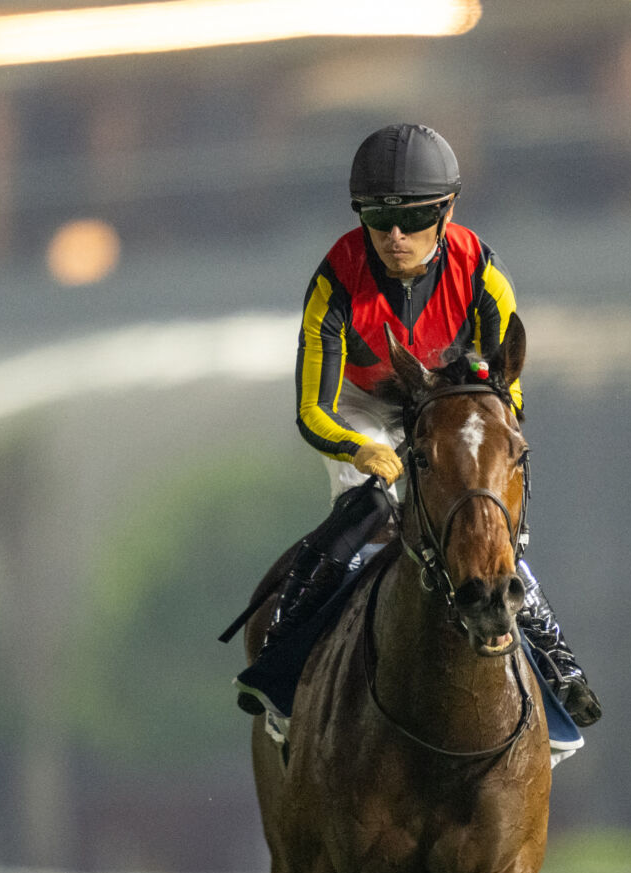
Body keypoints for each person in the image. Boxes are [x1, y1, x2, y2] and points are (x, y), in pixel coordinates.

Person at [234, 123, 601, 730]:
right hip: (358, 405)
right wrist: (359, 451)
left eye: (415, 217)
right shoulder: (334, 282)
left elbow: (505, 384)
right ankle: (282, 653)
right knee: (371, 506)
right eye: (378, 218)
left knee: (478, 511)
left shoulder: (482, 271)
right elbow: (311, 411)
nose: (395, 236)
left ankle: (558, 665)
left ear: (447, 209)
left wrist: (486, 435)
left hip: (444, 400)